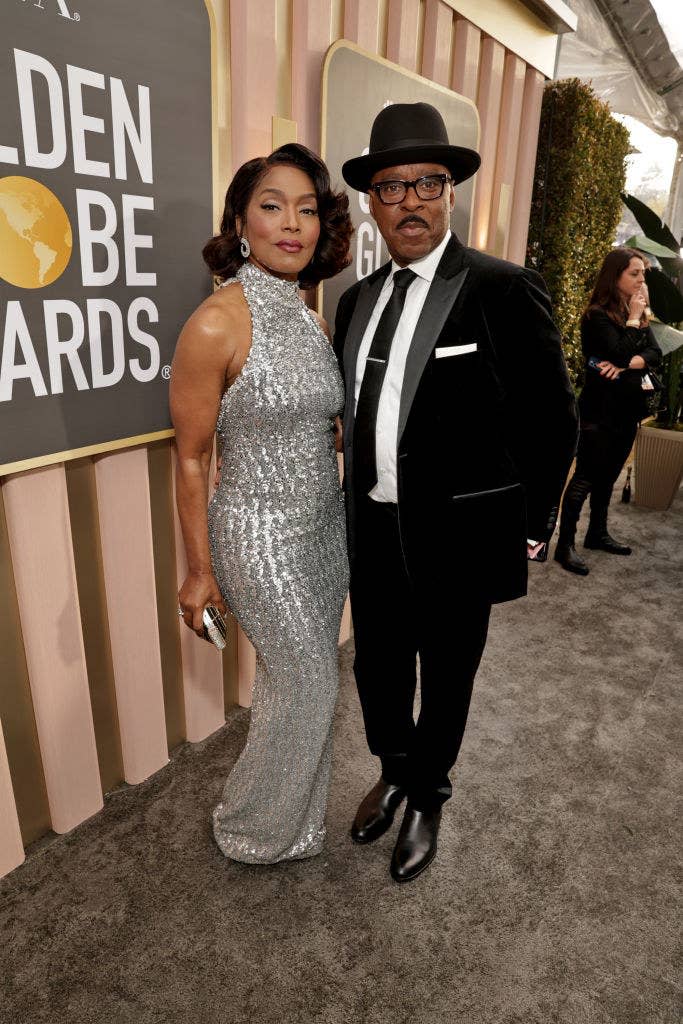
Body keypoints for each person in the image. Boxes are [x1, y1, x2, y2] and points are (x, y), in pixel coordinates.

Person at [334, 103, 578, 883]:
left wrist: (530, 524)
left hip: (462, 531)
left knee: (446, 669)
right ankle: (395, 769)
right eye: (390, 186)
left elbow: (553, 420)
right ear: (372, 202)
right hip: (371, 525)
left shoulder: (503, 289)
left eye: (425, 183)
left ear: (449, 192)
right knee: (377, 666)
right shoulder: (355, 300)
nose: (409, 200)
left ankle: (429, 792)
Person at [170, 143, 353, 864]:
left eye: (306, 209)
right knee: (309, 681)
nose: (291, 223)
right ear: (242, 223)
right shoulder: (216, 321)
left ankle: (294, 824)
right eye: (271, 206)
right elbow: (189, 456)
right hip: (258, 535)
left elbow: (311, 414)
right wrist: (196, 571)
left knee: (297, 681)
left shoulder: (310, 316)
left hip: (323, 528)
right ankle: (250, 827)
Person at [554, 247, 662, 576]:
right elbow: (614, 351)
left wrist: (627, 362)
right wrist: (632, 323)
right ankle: (565, 545)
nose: (642, 279)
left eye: (642, 273)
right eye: (635, 273)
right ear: (615, 277)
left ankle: (597, 534)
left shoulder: (638, 313)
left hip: (627, 412)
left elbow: (655, 353)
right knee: (585, 477)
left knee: (609, 478)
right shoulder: (597, 316)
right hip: (598, 413)